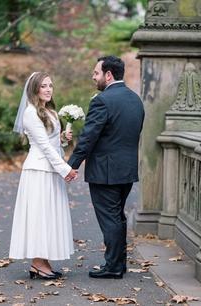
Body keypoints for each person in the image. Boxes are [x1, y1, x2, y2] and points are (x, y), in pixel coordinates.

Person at [68, 56, 145, 279]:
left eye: (96, 73)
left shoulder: (102, 101)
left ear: (108, 75)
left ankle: (112, 267)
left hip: (105, 172)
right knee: (117, 217)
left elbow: (88, 137)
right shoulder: (135, 100)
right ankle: (118, 264)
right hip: (127, 170)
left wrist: (72, 165)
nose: (94, 77)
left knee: (111, 218)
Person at [9, 72, 78, 280]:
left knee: (48, 215)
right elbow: (45, 148)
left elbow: (52, 143)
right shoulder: (30, 113)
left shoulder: (50, 111)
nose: (48, 89)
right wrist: (65, 169)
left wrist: (63, 139)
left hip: (50, 171)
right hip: (38, 171)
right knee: (40, 216)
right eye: (43, 86)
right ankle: (37, 263)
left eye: (50, 85)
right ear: (35, 89)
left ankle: (42, 261)